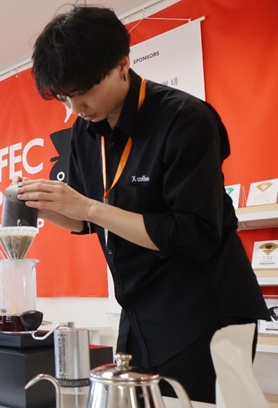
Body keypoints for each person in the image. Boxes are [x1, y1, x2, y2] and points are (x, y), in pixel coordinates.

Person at [16, 5, 270, 403]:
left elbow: (194, 234)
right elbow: (89, 222)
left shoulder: (185, 119)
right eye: (65, 98)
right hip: (138, 313)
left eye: (84, 92)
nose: (75, 109)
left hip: (205, 311)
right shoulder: (85, 133)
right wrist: (49, 209)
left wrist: (87, 208)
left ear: (122, 64)